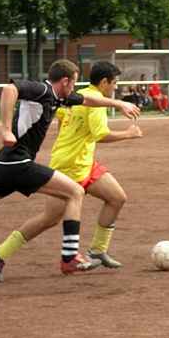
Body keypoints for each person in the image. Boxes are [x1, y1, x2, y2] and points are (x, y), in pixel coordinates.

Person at [0, 60, 140, 282]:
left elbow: (88, 100)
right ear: (65, 81)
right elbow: (9, 89)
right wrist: (5, 129)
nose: (75, 88)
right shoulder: (42, 90)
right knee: (75, 193)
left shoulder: (59, 97)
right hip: (17, 163)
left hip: (1, 164)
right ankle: (69, 257)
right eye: (74, 83)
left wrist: (118, 103)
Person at [47, 61, 142, 270]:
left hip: (84, 161)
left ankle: (98, 250)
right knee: (49, 219)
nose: (115, 87)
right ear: (104, 82)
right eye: (114, 83)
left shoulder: (81, 93)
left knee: (117, 198)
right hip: (70, 165)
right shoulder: (96, 100)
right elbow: (101, 135)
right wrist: (129, 134)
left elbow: (61, 116)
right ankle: (1, 251)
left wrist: (73, 135)